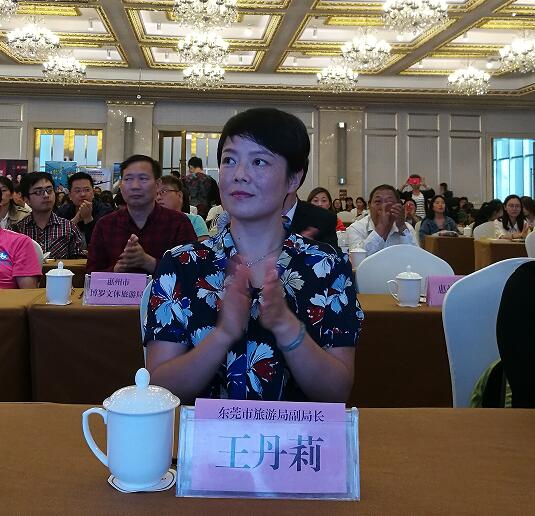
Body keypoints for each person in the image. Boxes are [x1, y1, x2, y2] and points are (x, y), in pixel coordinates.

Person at [144, 107, 363, 403]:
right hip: (208, 434)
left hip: (295, 434)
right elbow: (159, 391)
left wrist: (286, 327)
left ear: (293, 179)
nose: (239, 175)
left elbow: (336, 393)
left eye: (259, 161)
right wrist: (223, 335)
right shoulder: (182, 264)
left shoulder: (327, 266)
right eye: (229, 160)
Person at [86, 155, 196, 274]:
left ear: (157, 184)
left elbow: (194, 272)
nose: (135, 186)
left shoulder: (178, 223)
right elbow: (91, 275)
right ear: (121, 185)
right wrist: (116, 270)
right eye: (128, 179)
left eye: (143, 179)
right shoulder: (105, 225)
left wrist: (149, 263)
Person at [11, 172, 85, 259]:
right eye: (38, 192)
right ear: (26, 199)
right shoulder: (17, 231)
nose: (46, 195)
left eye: (49, 190)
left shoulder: (69, 228)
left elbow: (78, 263)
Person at [347, 184, 418, 254]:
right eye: (378, 202)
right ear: (369, 206)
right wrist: (381, 227)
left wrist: (402, 226)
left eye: (389, 202)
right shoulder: (356, 228)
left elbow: (416, 257)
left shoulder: (406, 228)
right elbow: (357, 259)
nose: (383, 206)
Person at [56, 172, 114, 246]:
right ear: (70, 195)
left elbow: (103, 245)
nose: (83, 194)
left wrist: (88, 218)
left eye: (87, 190)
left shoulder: (105, 212)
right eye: (77, 191)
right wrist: (75, 220)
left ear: (93, 193)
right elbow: (57, 243)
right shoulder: (62, 212)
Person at [156, 175, 209, 242]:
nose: (158, 197)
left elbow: (202, 245)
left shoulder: (194, 220)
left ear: (179, 195)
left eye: (163, 192)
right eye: (155, 194)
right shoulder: (150, 222)